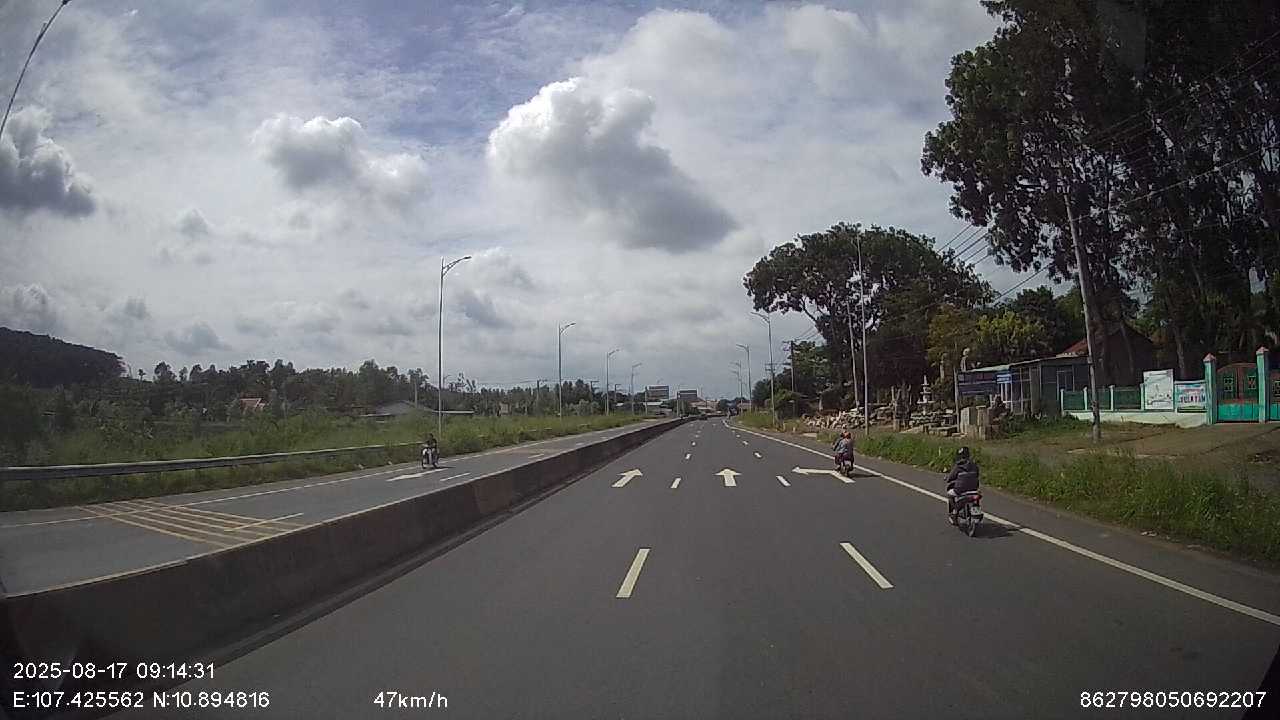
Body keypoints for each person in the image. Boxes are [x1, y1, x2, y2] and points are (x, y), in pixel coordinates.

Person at [944, 446, 980, 524]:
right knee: (976, 498)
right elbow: (977, 474)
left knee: (950, 494)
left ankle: (954, 512)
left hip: (960, 490)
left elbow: (950, 477)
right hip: (974, 489)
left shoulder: (958, 466)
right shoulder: (974, 465)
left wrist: (947, 479)